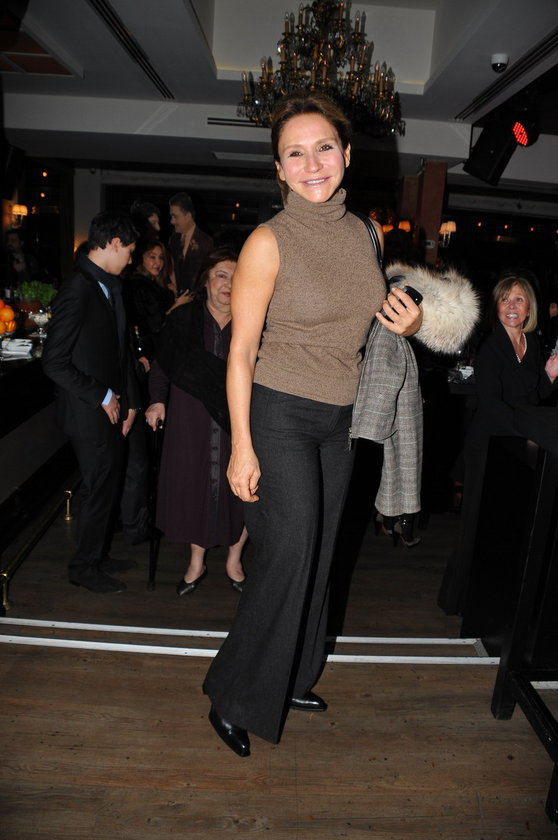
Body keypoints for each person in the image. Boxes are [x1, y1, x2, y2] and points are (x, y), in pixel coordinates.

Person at [202, 91, 422, 757]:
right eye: (294, 154)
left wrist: (409, 321)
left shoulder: (367, 234)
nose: (312, 163)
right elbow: (240, 352)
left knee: (322, 552)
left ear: (347, 154)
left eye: (323, 147)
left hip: (341, 418)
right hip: (279, 413)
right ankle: (234, 694)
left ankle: (291, 676)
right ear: (279, 169)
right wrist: (241, 446)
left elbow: (372, 318)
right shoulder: (268, 241)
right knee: (287, 555)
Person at [439, 273, 558, 614]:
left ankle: (491, 602)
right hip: (488, 444)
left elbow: (531, 397)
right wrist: (528, 430)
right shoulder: (491, 347)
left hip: (512, 446)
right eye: (505, 299)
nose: (511, 305)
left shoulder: (530, 344)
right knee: (476, 523)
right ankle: (456, 600)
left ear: (529, 308)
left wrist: (549, 376)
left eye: (519, 299)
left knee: (504, 525)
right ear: (497, 306)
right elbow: (491, 404)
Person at [42, 210, 141, 593]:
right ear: (114, 244)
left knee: (106, 488)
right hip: (87, 411)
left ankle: (97, 556)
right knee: (98, 490)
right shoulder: (78, 288)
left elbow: (119, 351)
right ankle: (84, 567)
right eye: (129, 251)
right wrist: (102, 395)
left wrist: (129, 402)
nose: (130, 260)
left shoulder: (105, 285)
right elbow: (54, 361)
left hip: (109, 408)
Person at [145, 248, 248, 595]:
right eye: (221, 275)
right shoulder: (183, 319)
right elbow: (163, 364)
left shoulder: (253, 321)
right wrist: (157, 400)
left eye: (236, 277)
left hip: (240, 421)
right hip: (191, 419)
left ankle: (234, 561)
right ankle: (196, 562)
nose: (228, 284)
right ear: (205, 280)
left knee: (243, 491)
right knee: (195, 487)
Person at [168, 192, 213, 295]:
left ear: (188, 216)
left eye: (175, 216)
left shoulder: (206, 242)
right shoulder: (173, 240)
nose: (172, 221)